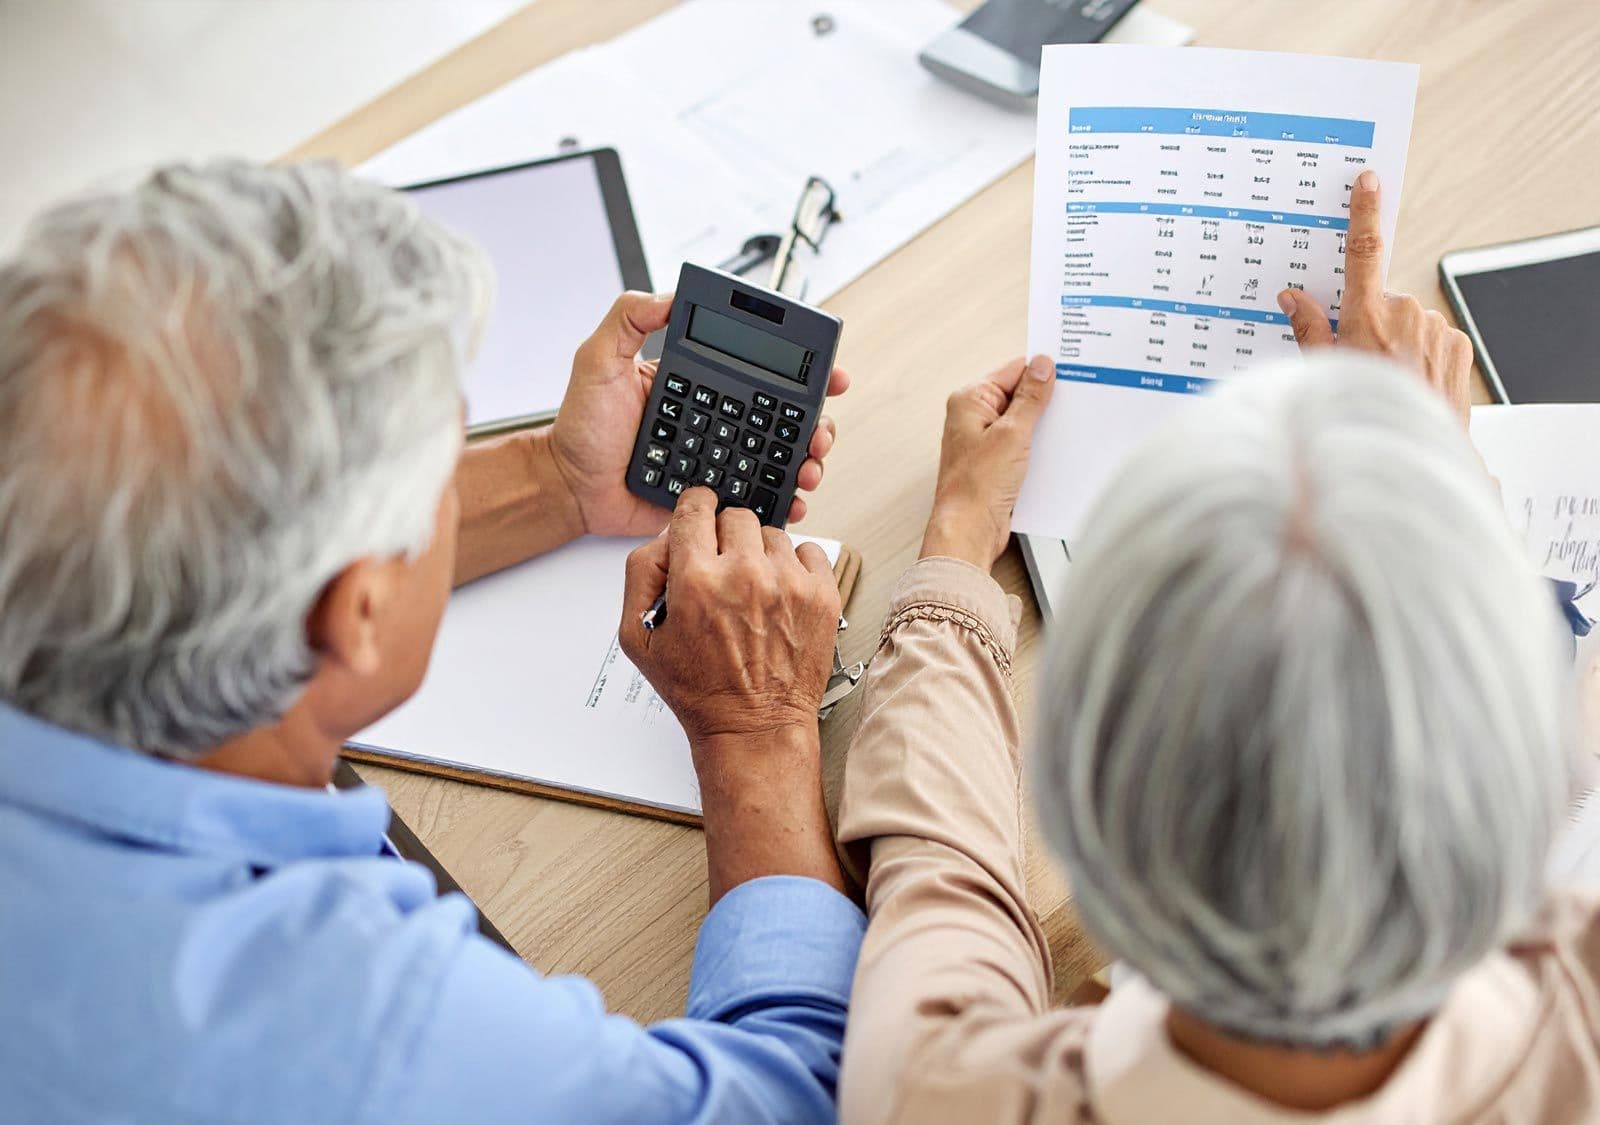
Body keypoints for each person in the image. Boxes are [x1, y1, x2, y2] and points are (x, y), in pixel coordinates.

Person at [0, 160, 861, 1124]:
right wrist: (756, 727)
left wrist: (558, 481)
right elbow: (809, 1096)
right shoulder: (372, 1025)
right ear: (357, 611)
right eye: (442, 475)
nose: (457, 488)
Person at [807, 169, 1596, 1122]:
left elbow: (943, 887)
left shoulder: (938, 1096)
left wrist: (958, 536)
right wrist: (1430, 470)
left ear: (1070, 806)